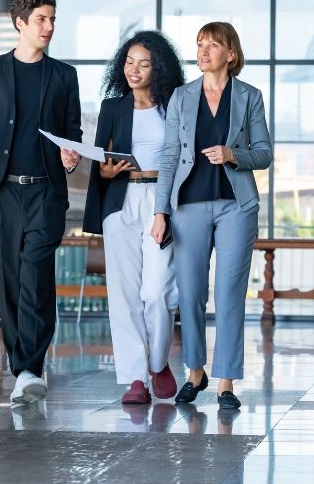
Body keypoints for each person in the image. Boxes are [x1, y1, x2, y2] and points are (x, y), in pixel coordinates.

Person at [0, 0, 82, 404]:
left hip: (46, 193)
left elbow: (72, 133)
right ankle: (23, 366)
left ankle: (30, 368)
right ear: (20, 23)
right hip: (2, 192)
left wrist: (70, 157)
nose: (49, 27)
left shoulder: (64, 76)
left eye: (52, 19)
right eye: (42, 19)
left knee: (36, 278)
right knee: (10, 279)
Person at [150, 21, 271, 410]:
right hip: (189, 205)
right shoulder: (181, 98)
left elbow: (264, 153)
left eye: (212, 45)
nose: (203, 51)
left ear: (230, 54)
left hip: (237, 205)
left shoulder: (250, 96)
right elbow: (169, 157)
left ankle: (226, 382)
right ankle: (194, 372)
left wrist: (233, 155)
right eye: (199, 44)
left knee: (230, 294)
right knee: (191, 292)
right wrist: (160, 211)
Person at [83, 30, 186, 404]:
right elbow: (102, 160)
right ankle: (134, 378)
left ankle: (157, 363)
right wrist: (106, 171)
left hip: (161, 202)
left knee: (158, 291)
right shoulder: (113, 108)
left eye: (143, 63)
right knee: (123, 294)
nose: (134, 70)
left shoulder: (175, 105)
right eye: (128, 62)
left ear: (158, 68)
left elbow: (183, 159)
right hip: (121, 202)